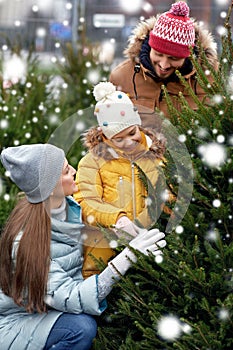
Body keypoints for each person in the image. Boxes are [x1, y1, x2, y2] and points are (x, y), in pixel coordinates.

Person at [0, 143, 166, 350]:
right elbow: (70, 296)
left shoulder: (67, 207)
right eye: (66, 171)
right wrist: (126, 258)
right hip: (18, 321)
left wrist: (121, 231)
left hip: (47, 308)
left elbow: (92, 216)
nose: (74, 171)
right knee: (81, 328)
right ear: (50, 188)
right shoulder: (26, 242)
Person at [74, 82, 172, 278]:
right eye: (119, 139)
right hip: (104, 247)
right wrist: (117, 219)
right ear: (104, 135)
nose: (128, 142)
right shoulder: (92, 162)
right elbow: (84, 201)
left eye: (132, 133)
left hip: (148, 244)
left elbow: (168, 193)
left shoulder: (156, 156)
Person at [109, 1, 219, 123]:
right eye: (158, 54)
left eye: (174, 58)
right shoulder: (122, 77)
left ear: (188, 57)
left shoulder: (210, 78)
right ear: (150, 48)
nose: (164, 65)